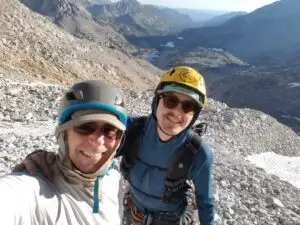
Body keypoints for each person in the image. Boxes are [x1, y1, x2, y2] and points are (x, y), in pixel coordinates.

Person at [15, 66, 215, 225]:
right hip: (132, 211)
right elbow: (89, 147)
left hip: (170, 219)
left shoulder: (198, 153)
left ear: (194, 116)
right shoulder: (132, 129)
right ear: (157, 102)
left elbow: (205, 202)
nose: (177, 112)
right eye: (171, 100)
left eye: (188, 106)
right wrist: (53, 162)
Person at [0, 80, 128, 225]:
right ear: (63, 134)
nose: (98, 140)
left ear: (119, 140)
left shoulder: (114, 178)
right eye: (85, 127)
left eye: (110, 130)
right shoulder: (33, 188)